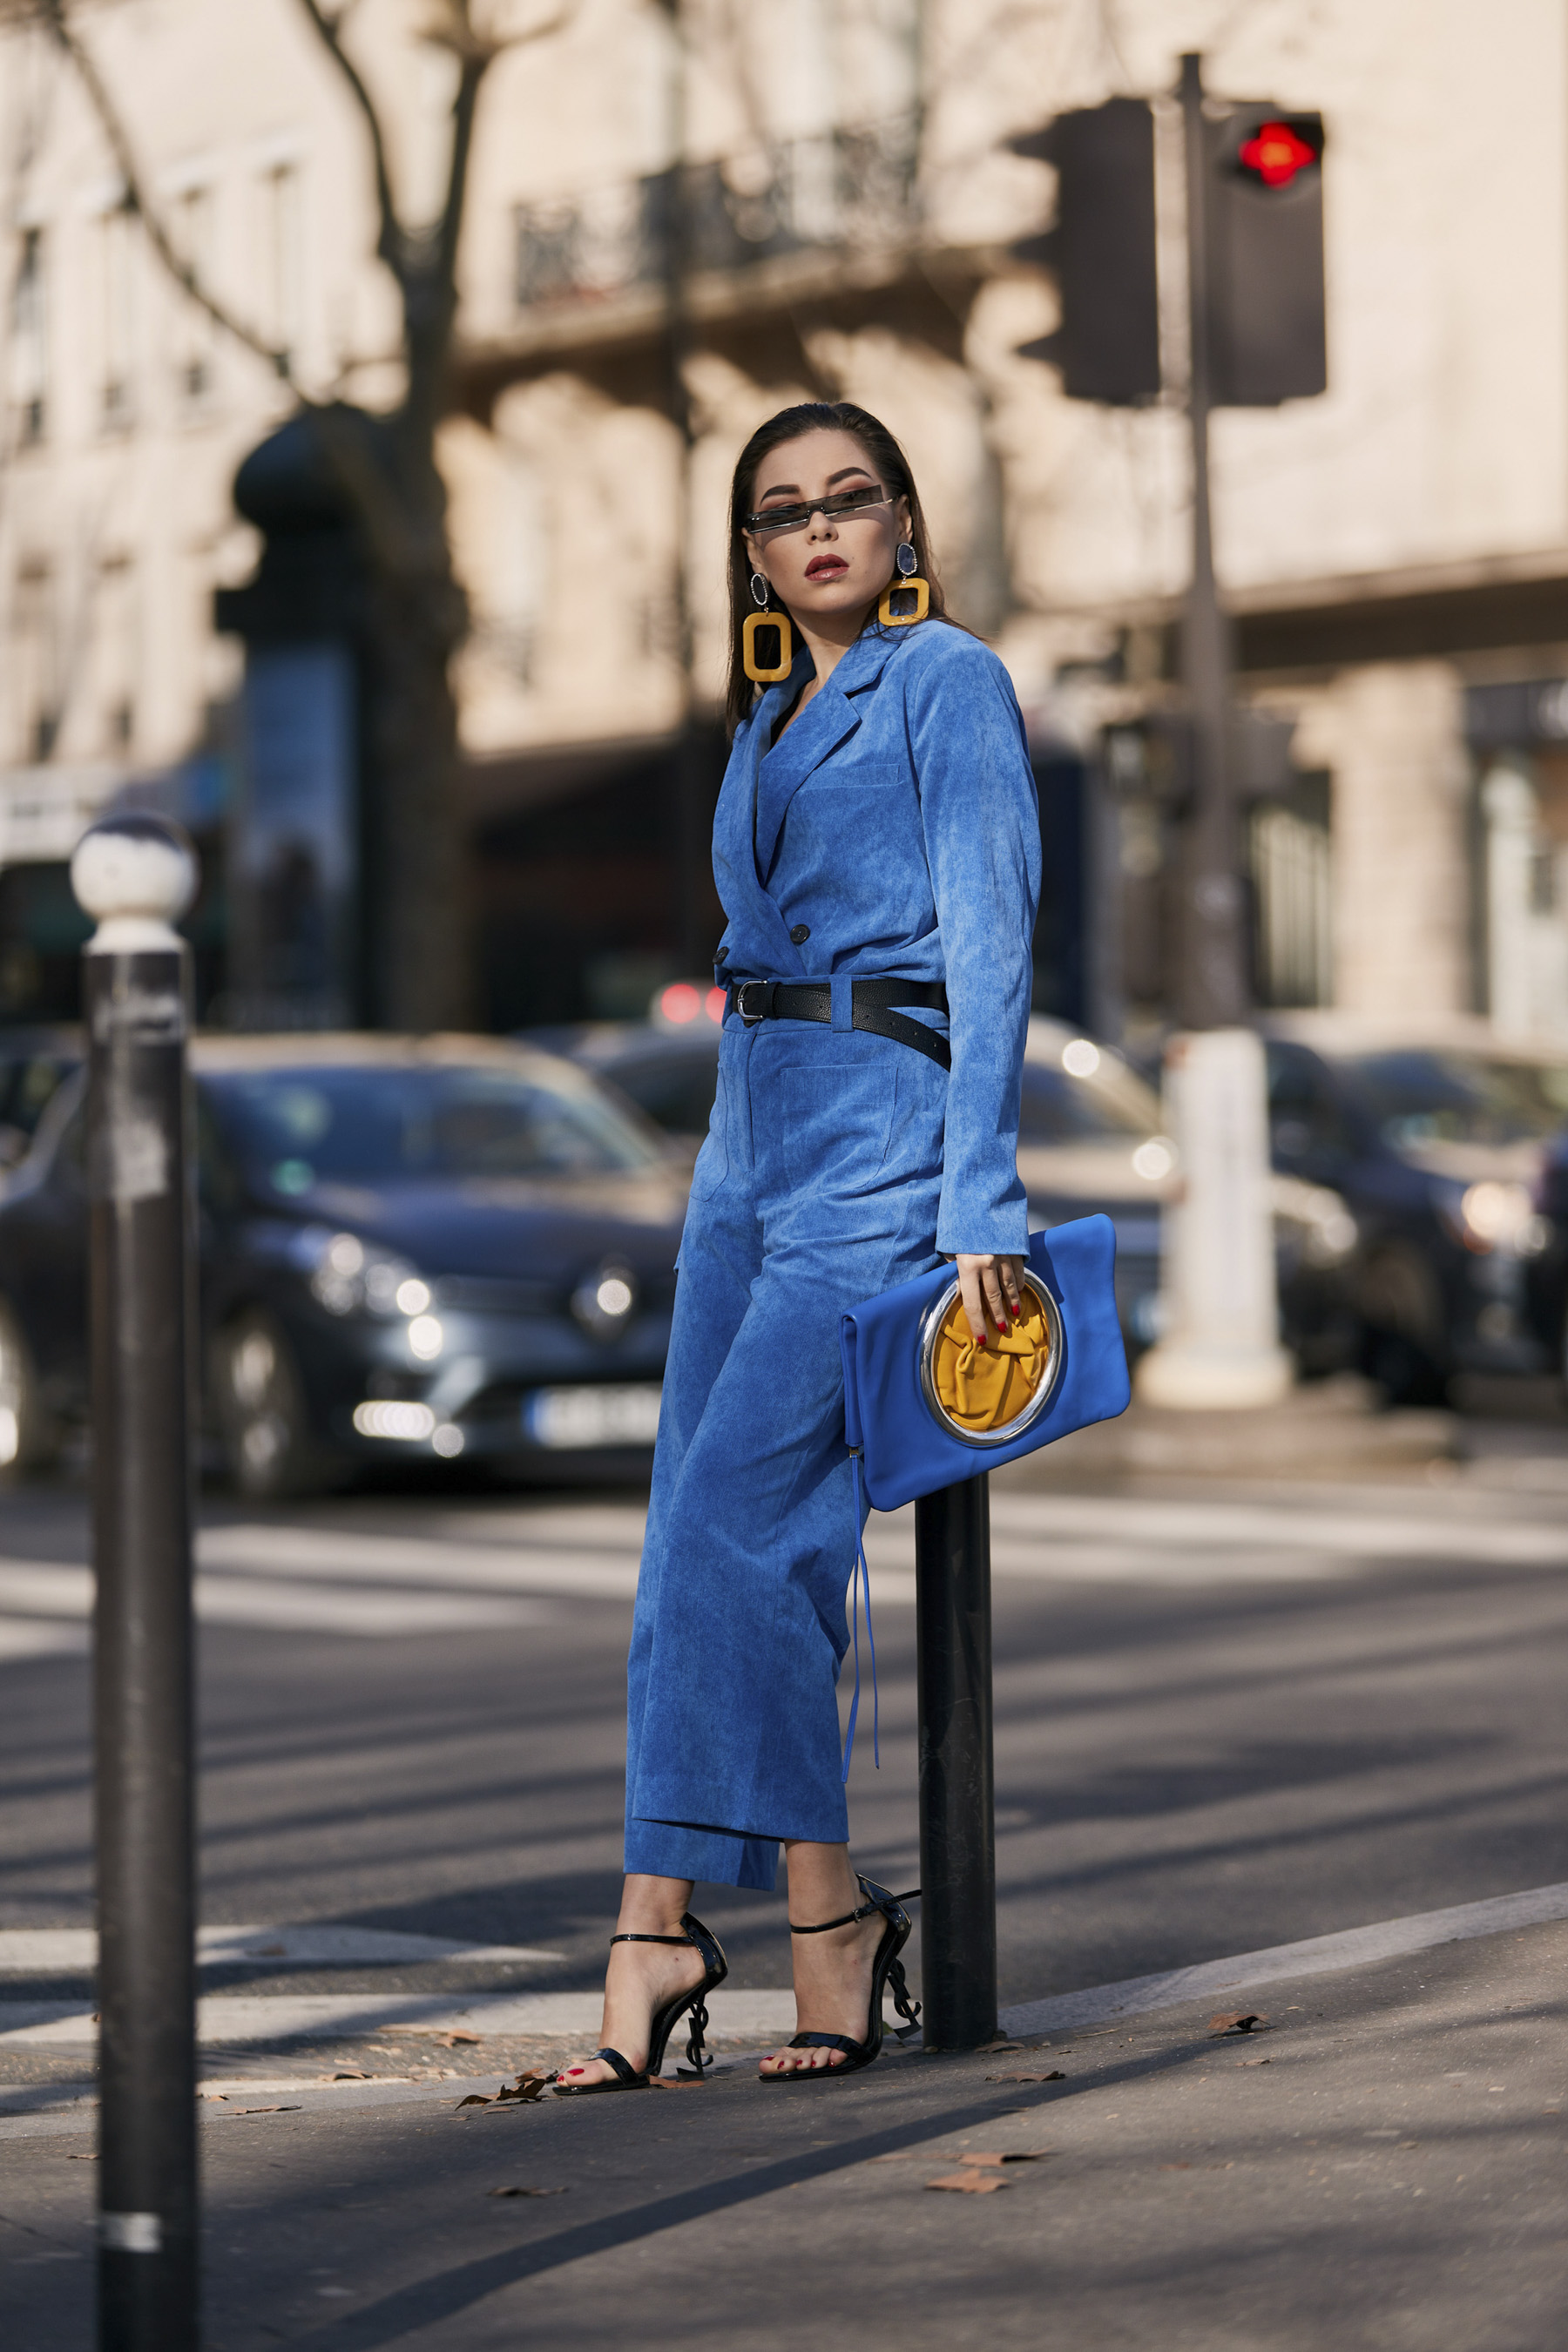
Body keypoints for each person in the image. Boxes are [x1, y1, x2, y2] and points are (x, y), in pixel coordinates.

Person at [553, 401, 1041, 2092]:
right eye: (784, 513)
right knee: (697, 1535)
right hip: (748, 1138)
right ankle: (787, 1918)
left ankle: (676, 1935)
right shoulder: (772, 710)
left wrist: (979, 1193)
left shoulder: (950, 683)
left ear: (905, 525)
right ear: (752, 553)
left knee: (731, 1524)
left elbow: (992, 944)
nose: (821, 528)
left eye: (853, 499)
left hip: (880, 1135)